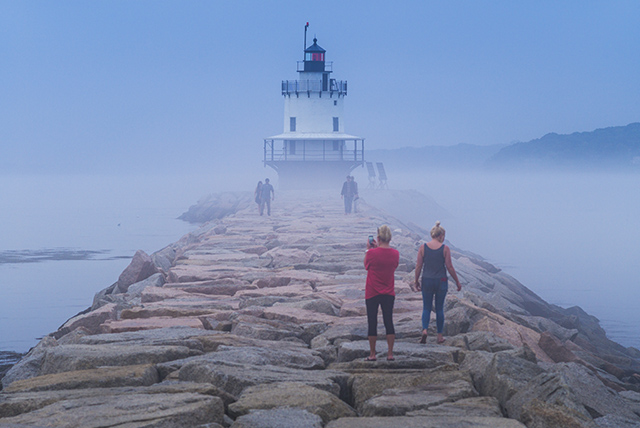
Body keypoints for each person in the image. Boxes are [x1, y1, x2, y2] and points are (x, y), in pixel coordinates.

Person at [414, 221, 462, 344]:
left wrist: (416, 281)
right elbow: (449, 267)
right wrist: (457, 282)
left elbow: (419, 266)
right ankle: (439, 336)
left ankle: (425, 330)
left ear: (432, 235)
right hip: (441, 281)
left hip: (427, 280)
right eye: (443, 236)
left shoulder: (423, 248)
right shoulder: (445, 248)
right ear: (441, 236)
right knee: (440, 309)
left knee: (426, 308)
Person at [364, 225, 399, 361]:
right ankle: (390, 353)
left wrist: (369, 249)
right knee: (388, 320)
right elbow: (394, 266)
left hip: (372, 291)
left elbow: (366, 265)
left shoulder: (371, 254)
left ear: (377, 238)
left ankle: (372, 354)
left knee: (372, 321)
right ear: (390, 238)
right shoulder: (395, 253)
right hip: (388, 291)